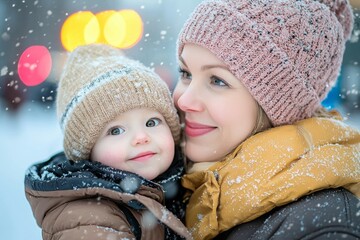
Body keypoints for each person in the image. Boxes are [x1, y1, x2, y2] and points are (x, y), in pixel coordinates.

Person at [173, 0, 360, 239]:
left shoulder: (321, 225)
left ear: (279, 103)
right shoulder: (173, 184)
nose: (184, 101)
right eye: (185, 73)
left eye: (218, 81)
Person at [24, 44, 192, 240]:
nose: (141, 137)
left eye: (151, 122)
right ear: (87, 152)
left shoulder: (180, 183)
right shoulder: (90, 218)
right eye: (116, 131)